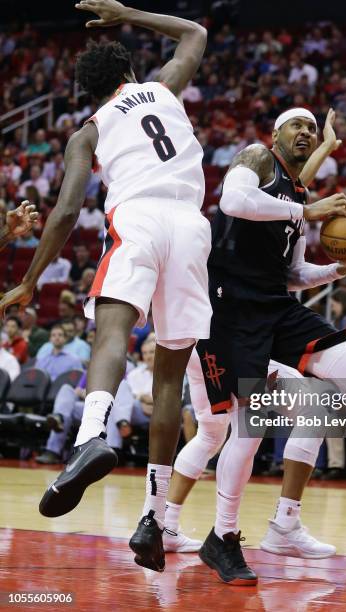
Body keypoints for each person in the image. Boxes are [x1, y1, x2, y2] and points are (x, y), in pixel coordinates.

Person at [0, 0, 211, 576]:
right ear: (129, 73)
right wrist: (127, 13)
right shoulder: (166, 88)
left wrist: (29, 280)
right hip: (193, 226)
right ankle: (153, 515)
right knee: (170, 377)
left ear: (90, 92)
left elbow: (67, 211)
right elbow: (194, 31)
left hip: (138, 218)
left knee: (111, 332)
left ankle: (90, 435)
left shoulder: (89, 129)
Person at [193, 107, 346, 585]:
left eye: (313, 130)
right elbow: (233, 201)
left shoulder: (297, 195)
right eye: (298, 125)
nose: (306, 133)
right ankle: (224, 537)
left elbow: (295, 275)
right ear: (277, 133)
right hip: (230, 312)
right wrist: (308, 210)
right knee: (249, 430)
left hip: (275, 306)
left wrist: (342, 269)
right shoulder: (256, 158)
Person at [164, 355, 337, 559]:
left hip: (197, 352)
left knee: (209, 435)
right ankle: (280, 524)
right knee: (314, 411)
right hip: (240, 347)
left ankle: (166, 525)